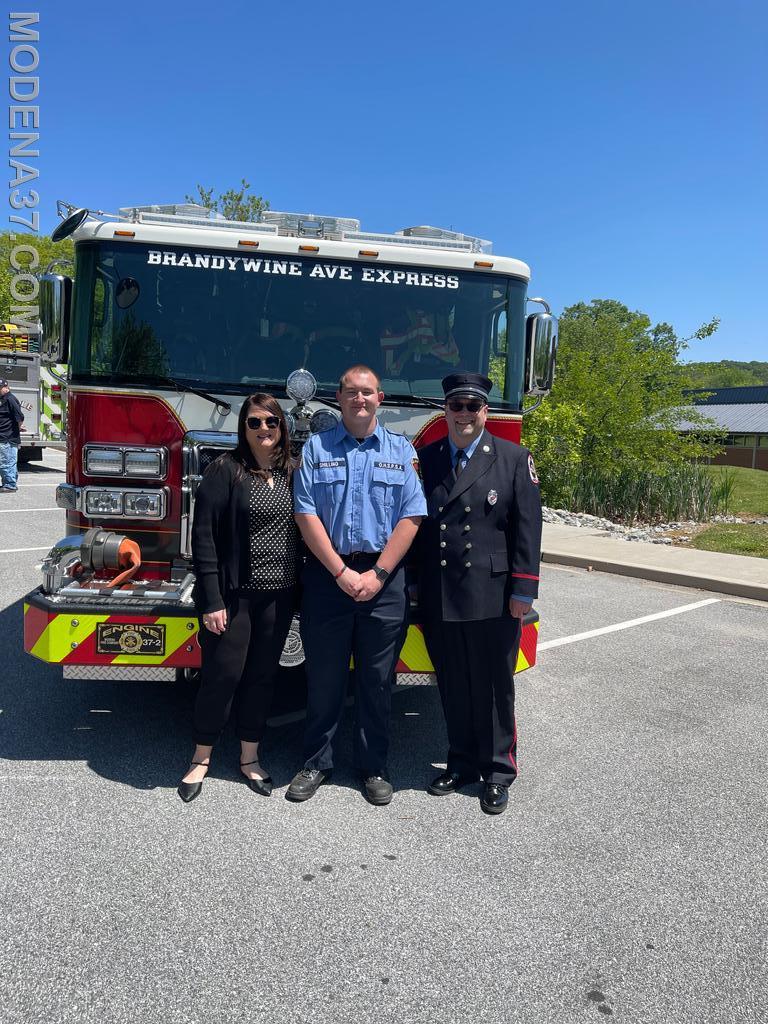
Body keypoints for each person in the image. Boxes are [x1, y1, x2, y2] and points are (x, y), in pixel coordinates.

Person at [289, 365, 426, 805]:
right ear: (339, 397)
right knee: (324, 677)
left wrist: (379, 574)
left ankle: (373, 767)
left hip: (383, 580)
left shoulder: (402, 451)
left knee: (377, 679)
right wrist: (340, 572)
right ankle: (315, 763)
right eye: (351, 392)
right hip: (330, 577)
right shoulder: (316, 448)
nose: (359, 400)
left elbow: (411, 516)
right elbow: (305, 513)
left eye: (367, 393)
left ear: (380, 398)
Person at [417, 372, 542, 815]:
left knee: (493, 686)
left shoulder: (512, 457)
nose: (464, 414)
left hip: (493, 592)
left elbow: (528, 528)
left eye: (473, 406)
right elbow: (418, 528)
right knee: (452, 684)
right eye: (456, 406)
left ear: (485, 411)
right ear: (445, 411)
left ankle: (498, 771)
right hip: (441, 591)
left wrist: (523, 591)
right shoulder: (427, 458)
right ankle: (463, 762)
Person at [177, 393, 299, 803]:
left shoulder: (292, 473)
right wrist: (212, 599)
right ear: (242, 429)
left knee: (263, 678)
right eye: (254, 422)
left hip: (279, 597)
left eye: (271, 422)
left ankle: (250, 757)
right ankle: (201, 757)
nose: (264, 430)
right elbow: (204, 539)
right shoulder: (224, 471)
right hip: (234, 597)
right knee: (222, 676)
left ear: (283, 427)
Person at [0, 377, 24, 493]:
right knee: (8, 461)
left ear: (6, 387)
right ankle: (10, 482)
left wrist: (17, 429)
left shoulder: (10, 398)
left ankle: (9, 484)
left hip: (7, 437)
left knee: (6, 462)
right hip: (5, 437)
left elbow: (19, 416)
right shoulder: (4, 398)